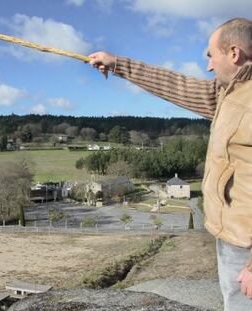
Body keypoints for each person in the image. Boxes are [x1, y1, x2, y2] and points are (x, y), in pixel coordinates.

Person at [88, 18, 252, 311]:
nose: (209, 66)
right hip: (232, 236)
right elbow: (178, 86)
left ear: (234, 53)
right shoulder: (228, 93)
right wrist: (118, 64)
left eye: (211, 56)